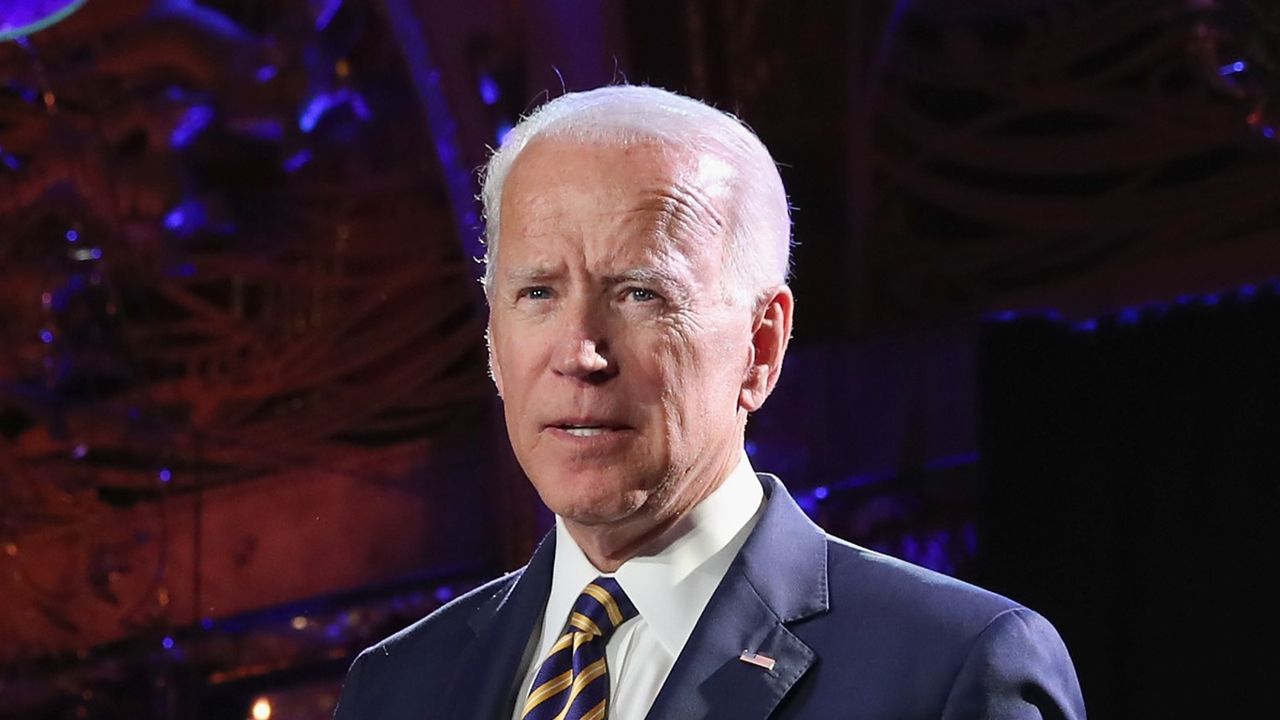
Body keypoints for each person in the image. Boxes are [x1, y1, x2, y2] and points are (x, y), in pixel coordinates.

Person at [333, 85, 1085, 720]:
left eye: (639, 293)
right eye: (537, 293)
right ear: (494, 339)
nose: (579, 353)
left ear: (761, 347)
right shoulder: (396, 688)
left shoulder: (950, 669)